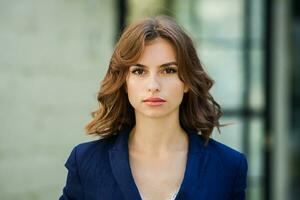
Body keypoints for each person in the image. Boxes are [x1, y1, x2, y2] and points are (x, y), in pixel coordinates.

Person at [59, 15, 248, 200]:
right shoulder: (86, 161)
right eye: (139, 71)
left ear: (187, 82)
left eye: (168, 70)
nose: (153, 85)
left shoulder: (228, 166)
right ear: (124, 82)